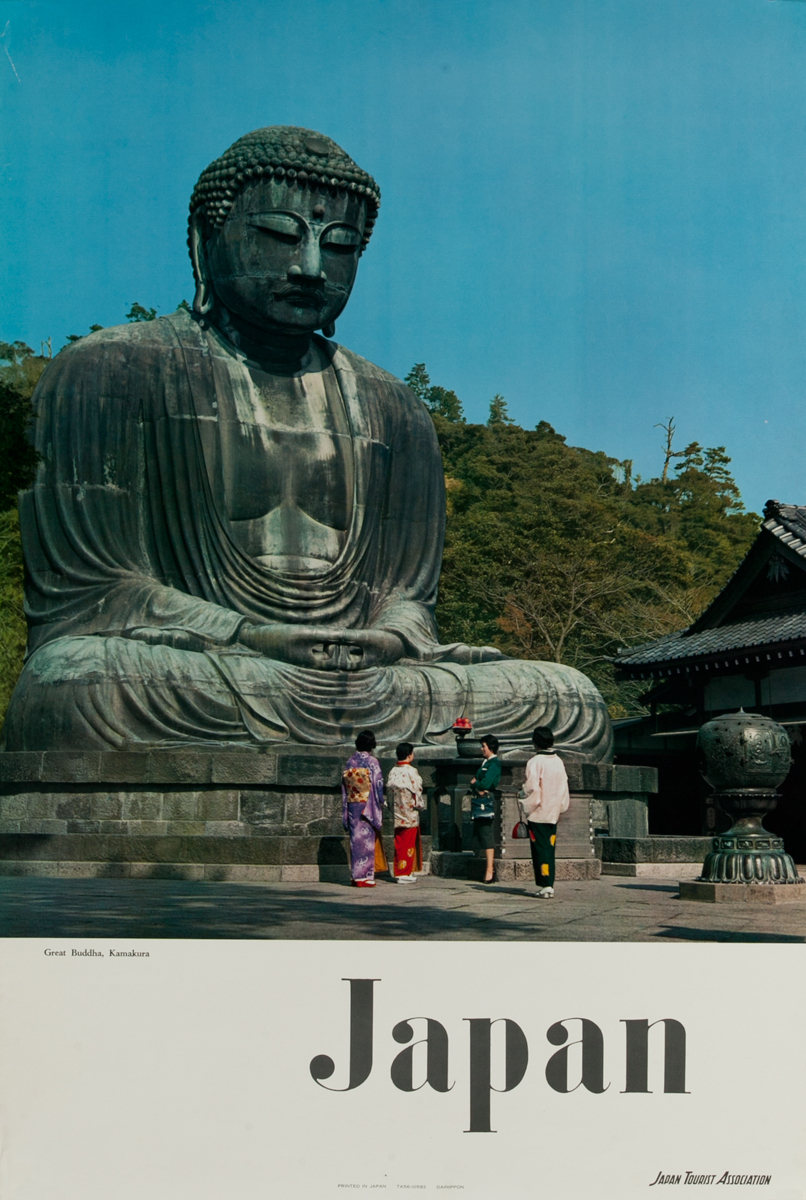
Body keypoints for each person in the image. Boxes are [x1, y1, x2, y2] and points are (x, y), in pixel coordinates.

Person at [3, 124, 614, 760]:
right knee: (76, 682)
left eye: (341, 246)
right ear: (204, 240)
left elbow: (406, 599)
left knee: (567, 699)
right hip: (213, 664)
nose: (312, 267)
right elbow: (94, 592)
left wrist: (391, 637)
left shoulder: (393, 407)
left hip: (369, 678)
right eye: (278, 235)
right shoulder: (108, 371)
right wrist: (246, 633)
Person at [518, 725, 570, 898]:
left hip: (539, 812)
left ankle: (545, 883)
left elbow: (532, 788)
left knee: (540, 849)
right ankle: (548, 882)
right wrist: (560, 807)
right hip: (553, 811)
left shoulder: (534, 762)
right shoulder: (558, 761)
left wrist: (524, 799)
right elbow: (564, 786)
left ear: (535, 742)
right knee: (549, 847)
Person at [342, 729, 386, 887]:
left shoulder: (350, 761)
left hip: (353, 803)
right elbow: (378, 783)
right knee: (366, 840)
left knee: (356, 839)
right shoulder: (372, 762)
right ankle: (365, 876)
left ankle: (356, 875)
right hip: (368, 805)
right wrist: (381, 799)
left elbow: (345, 785)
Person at [386, 741, 425, 882]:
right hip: (409, 812)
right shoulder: (411, 771)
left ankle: (400, 870)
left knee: (399, 841)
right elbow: (417, 790)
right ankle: (404, 872)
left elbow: (389, 792)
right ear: (409, 755)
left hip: (397, 812)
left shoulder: (393, 771)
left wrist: (391, 807)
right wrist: (419, 805)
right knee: (408, 843)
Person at [470, 734, 502, 883]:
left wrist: (476, 784)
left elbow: (485, 784)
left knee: (487, 833)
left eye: (484, 746)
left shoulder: (494, 764)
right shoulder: (485, 762)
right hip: (480, 799)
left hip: (487, 800)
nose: (482, 749)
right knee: (480, 832)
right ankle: (482, 867)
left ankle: (490, 869)